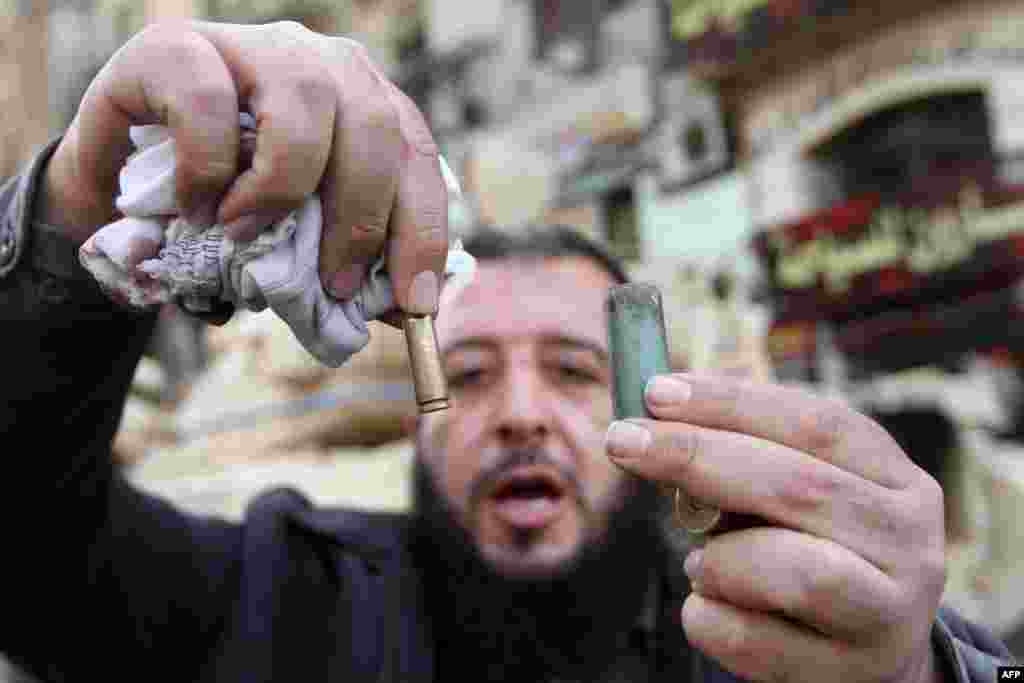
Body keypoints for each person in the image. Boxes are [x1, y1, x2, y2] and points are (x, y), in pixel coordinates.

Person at [0, 20, 1013, 683]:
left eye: (572, 371)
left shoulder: (772, 645)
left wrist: (923, 667)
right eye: (471, 373)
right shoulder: (281, 604)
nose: (520, 413)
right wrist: (71, 214)